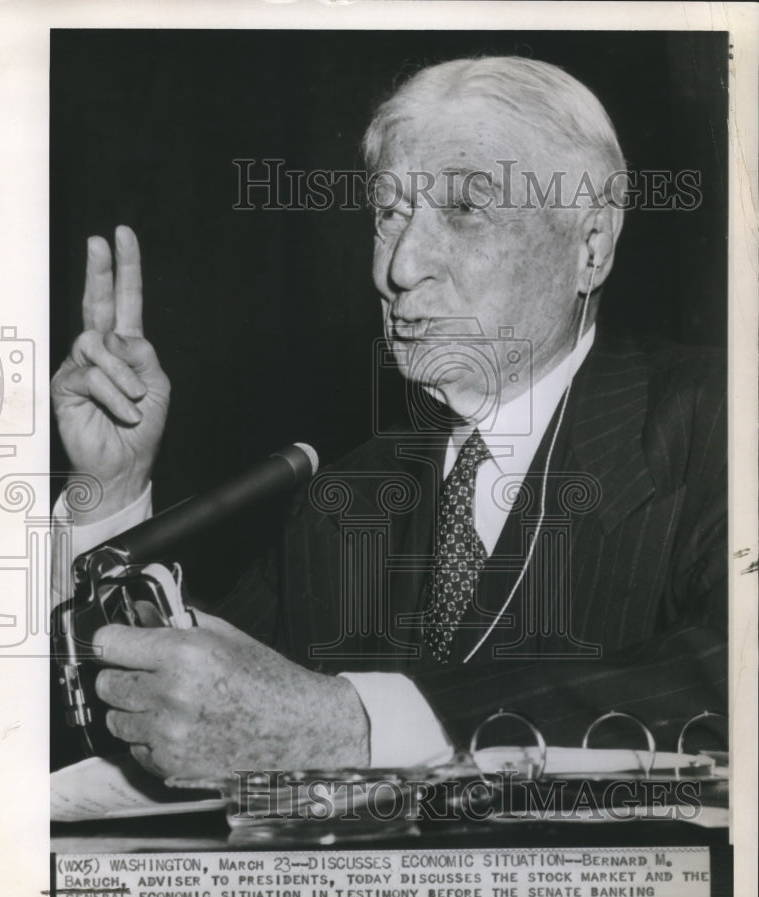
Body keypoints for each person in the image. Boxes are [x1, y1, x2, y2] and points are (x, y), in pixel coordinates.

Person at [51, 56, 726, 780]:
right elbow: (178, 716)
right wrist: (113, 491)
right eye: (390, 214)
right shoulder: (343, 499)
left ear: (592, 245)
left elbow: (729, 676)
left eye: (465, 210)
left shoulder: (717, 424)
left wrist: (359, 727)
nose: (400, 267)